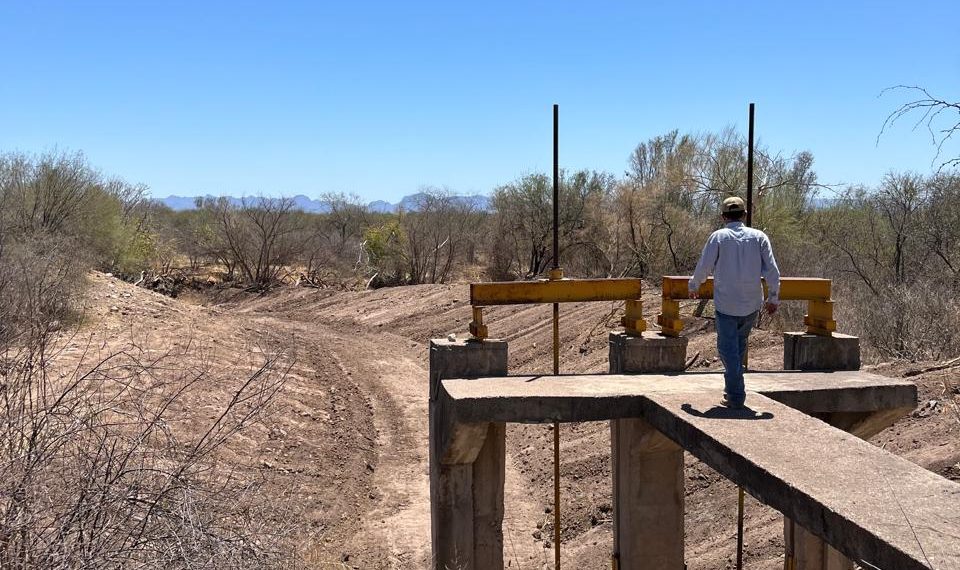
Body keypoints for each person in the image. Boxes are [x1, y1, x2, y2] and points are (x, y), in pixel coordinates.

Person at [688, 196, 780, 409]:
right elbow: (772, 271)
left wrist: (694, 286)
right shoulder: (759, 237)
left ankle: (736, 395)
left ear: (723, 216)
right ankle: (733, 391)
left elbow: (704, 266)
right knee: (738, 345)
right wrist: (773, 297)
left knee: (727, 349)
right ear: (745, 215)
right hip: (751, 303)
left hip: (726, 304)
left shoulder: (718, 237)